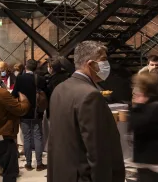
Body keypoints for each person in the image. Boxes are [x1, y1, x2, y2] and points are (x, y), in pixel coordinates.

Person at [48, 40, 124, 182]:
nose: (106, 65)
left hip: (62, 173)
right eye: (103, 60)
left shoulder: (59, 89)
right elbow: (98, 151)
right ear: (90, 64)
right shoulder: (90, 95)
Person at [130, 69, 158, 182]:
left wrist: (138, 107)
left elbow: (141, 126)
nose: (134, 91)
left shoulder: (157, 107)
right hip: (144, 162)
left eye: (138, 87)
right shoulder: (143, 106)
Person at [11, 59, 48, 171]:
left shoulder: (20, 78)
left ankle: (28, 163)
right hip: (37, 113)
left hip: (24, 112)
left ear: (26, 67)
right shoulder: (40, 79)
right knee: (37, 137)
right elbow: (46, 93)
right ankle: (39, 164)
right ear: (36, 68)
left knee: (26, 138)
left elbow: (13, 94)